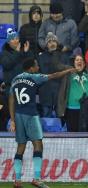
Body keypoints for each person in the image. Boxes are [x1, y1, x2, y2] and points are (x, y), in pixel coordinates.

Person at [8, 58, 75, 188]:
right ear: (31, 68)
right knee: (38, 145)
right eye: (36, 66)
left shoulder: (15, 79)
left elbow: (11, 100)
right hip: (31, 115)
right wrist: (68, 71)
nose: (38, 68)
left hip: (18, 116)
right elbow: (54, 75)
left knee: (20, 147)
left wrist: (12, 120)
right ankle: (37, 179)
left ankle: (17, 180)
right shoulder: (34, 77)